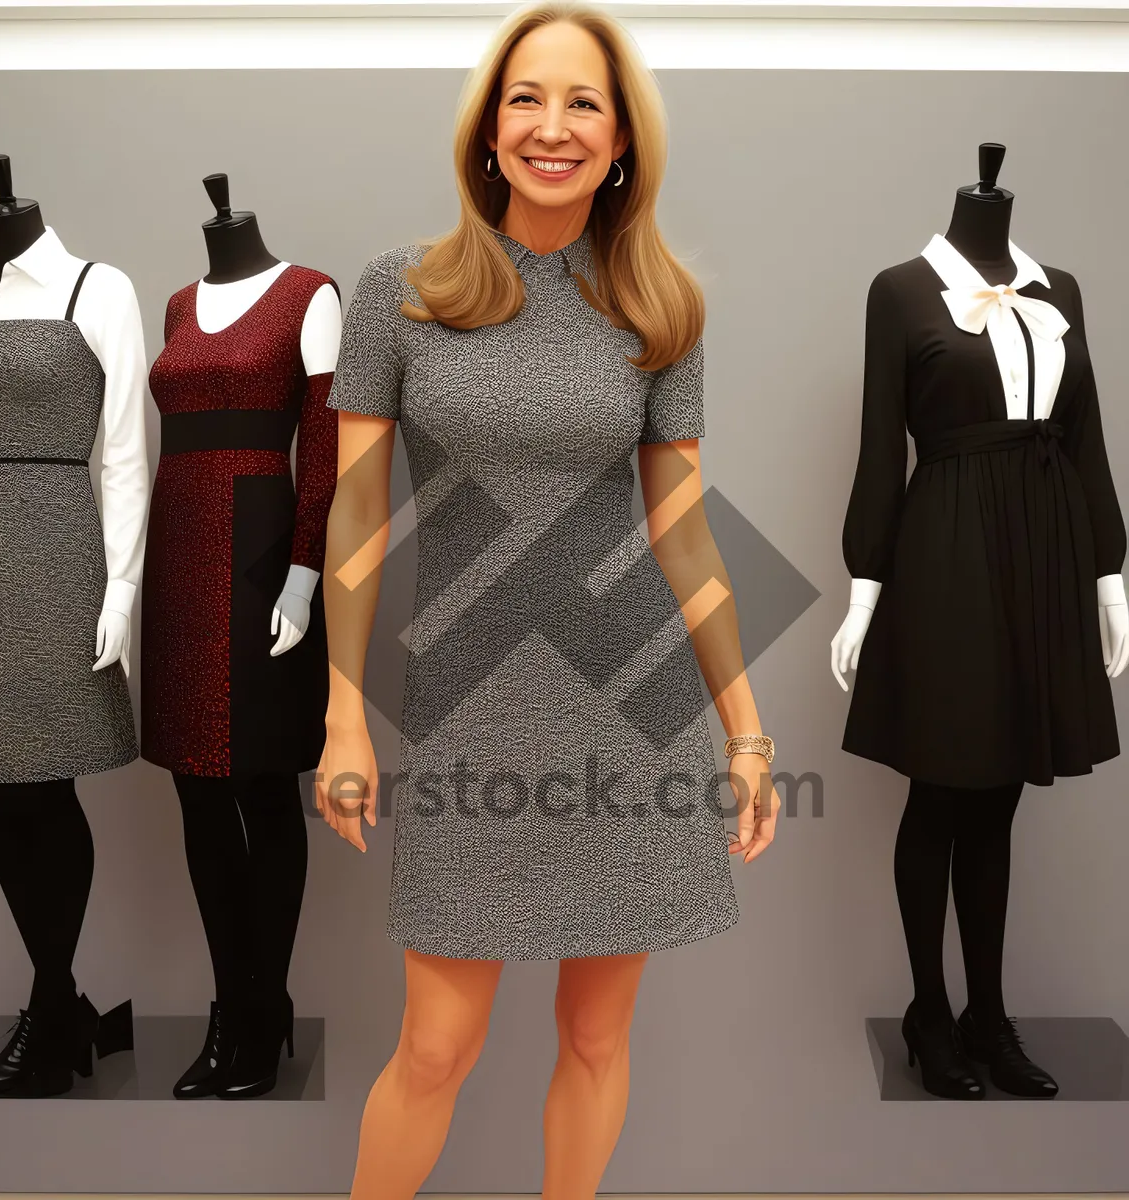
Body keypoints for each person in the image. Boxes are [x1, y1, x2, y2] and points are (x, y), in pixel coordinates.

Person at [318, 4, 776, 1194]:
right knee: (434, 1046)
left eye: (584, 103)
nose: (553, 126)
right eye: (528, 98)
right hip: (471, 720)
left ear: (621, 139)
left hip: (630, 716)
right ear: (488, 126)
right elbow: (357, 520)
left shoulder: (660, 305)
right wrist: (344, 714)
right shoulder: (400, 292)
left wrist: (745, 727)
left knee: (595, 1038)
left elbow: (684, 537)